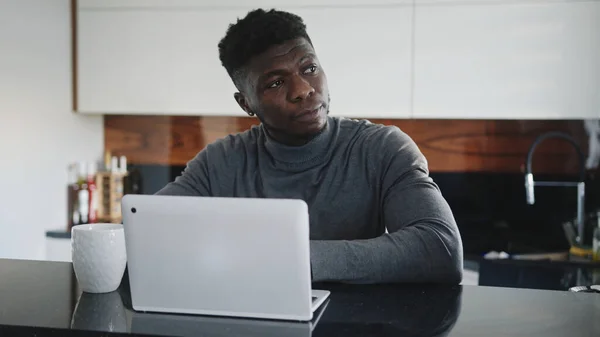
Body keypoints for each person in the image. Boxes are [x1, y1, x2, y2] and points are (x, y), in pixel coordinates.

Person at [156, 8, 463, 284]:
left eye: (309, 69)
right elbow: (148, 230)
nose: (303, 90)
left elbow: (440, 248)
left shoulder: (382, 148)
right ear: (246, 102)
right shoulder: (220, 162)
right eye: (275, 83)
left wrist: (293, 260)